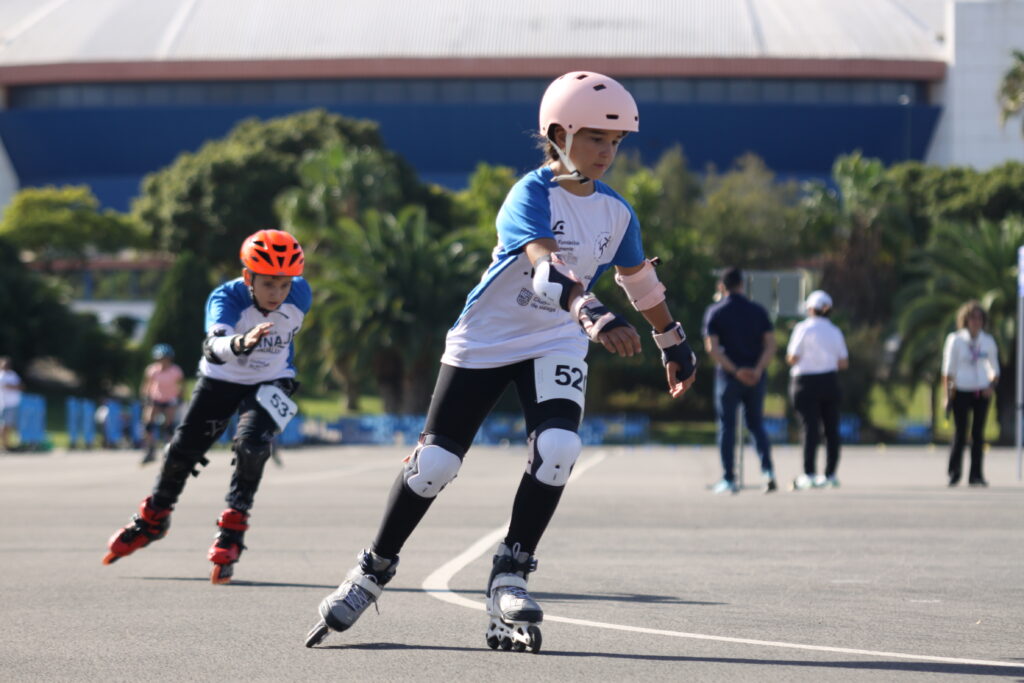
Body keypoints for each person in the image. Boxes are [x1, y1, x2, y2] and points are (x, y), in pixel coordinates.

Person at [304, 71, 698, 652]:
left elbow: (640, 281)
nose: (608, 153)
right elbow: (544, 265)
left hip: (555, 340)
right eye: (595, 139)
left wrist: (674, 343)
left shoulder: (617, 212)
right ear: (559, 134)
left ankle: (510, 574)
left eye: (616, 142)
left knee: (559, 449)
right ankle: (372, 570)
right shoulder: (530, 194)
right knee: (435, 462)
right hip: (486, 338)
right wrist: (592, 313)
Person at [102, 229, 311, 583]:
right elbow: (212, 345)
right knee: (181, 451)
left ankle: (232, 529)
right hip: (221, 378)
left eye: (283, 285)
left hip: (273, 378)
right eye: (267, 285)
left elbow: (289, 328)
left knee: (252, 445)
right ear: (248, 277)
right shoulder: (225, 298)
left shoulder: (301, 293)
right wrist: (243, 341)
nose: (277, 295)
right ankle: (154, 518)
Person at [702, 268, 777, 494]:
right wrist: (756, 369)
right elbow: (771, 345)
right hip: (755, 377)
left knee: (727, 426)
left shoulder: (715, 311)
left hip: (728, 376)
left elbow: (712, 348)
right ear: (742, 285)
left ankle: (729, 478)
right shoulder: (758, 310)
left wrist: (736, 371)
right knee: (756, 424)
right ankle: (768, 472)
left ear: (721, 286)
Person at [786, 290, 848, 490]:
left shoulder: (803, 328)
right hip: (829, 381)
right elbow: (843, 362)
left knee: (809, 429)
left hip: (804, 383)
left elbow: (792, 357)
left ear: (811, 309)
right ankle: (830, 475)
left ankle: (809, 473)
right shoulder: (835, 331)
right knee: (831, 430)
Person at [942, 300, 999, 487]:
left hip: (981, 391)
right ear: (965, 320)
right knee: (960, 432)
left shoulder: (988, 341)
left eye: (979, 318)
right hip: (961, 390)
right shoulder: (956, 340)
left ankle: (976, 475)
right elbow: (949, 370)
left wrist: (991, 385)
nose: (976, 321)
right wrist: (948, 395)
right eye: (972, 318)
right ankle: (954, 472)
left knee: (978, 434)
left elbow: (994, 369)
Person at [139, 343, 184, 465]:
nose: (163, 361)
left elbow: (180, 386)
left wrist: (180, 398)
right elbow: (147, 385)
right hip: (156, 398)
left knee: (169, 425)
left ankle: (169, 450)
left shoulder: (176, 370)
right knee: (148, 423)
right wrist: (145, 397)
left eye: (165, 358)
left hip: (170, 399)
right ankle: (150, 450)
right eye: (160, 359)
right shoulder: (152, 370)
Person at [0, 357, 23, 451]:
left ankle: (7, 444)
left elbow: (20, 386)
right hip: (3, 404)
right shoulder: (1, 375)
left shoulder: (13, 375)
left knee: (9, 425)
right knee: (4, 425)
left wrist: (10, 386)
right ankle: (5, 444)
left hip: (12, 404)